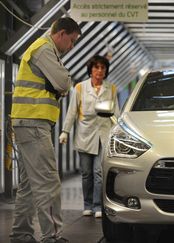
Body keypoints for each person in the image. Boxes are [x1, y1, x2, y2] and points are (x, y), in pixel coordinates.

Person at [9, 17, 80, 243]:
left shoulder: (41, 49)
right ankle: (52, 236)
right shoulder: (44, 49)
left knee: (29, 185)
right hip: (34, 123)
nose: (71, 47)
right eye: (71, 41)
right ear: (60, 34)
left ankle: (21, 235)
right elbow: (63, 83)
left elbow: (59, 84)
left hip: (26, 122)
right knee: (48, 182)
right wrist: (61, 85)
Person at [59, 55, 120, 218]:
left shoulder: (111, 89)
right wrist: (65, 131)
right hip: (85, 136)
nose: (99, 71)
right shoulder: (80, 88)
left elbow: (116, 114)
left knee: (99, 172)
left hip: (103, 136)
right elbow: (72, 112)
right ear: (91, 70)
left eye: (102, 68)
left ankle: (97, 205)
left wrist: (117, 134)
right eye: (96, 67)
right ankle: (86, 204)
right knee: (86, 173)